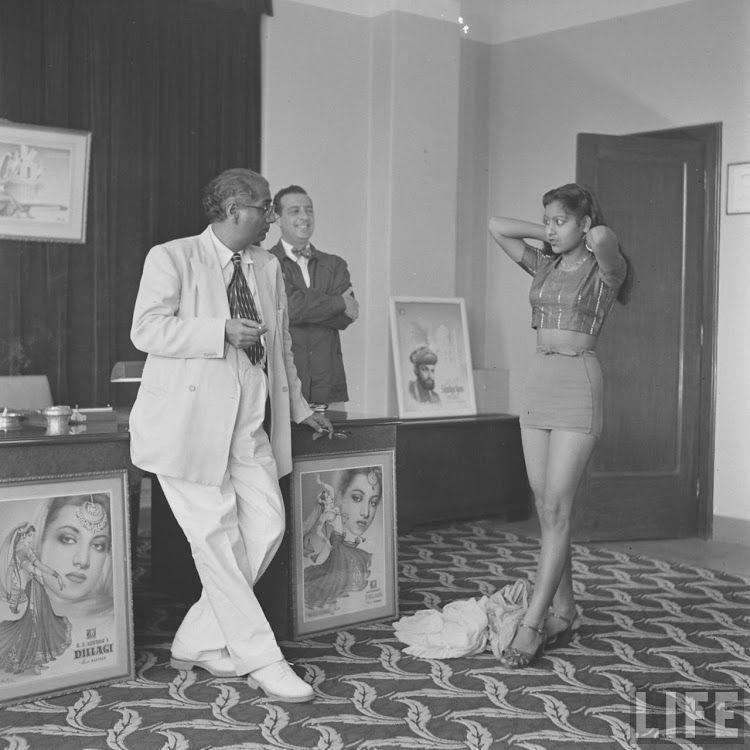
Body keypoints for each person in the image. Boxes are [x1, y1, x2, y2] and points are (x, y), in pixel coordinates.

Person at [129, 168, 332, 703]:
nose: (273, 217)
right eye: (266, 207)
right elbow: (146, 329)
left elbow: (281, 344)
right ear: (233, 210)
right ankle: (261, 657)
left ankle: (196, 638)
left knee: (267, 524)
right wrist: (217, 330)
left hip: (247, 421)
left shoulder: (265, 266)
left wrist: (303, 407)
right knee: (217, 539)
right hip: (187, 428)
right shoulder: (171, 257)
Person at [488, 182, 627, 668]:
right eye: (545, 218)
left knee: (558, 506)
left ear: (584, 224)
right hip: (540, 377)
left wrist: (585, 230)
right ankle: (565, 609)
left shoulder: (604, 270)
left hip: (577, 379)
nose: (548, 227)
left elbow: (607, 238)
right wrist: (550, 233)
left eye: (558, 219)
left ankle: (533, 622)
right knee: (543, 505)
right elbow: (497, 227)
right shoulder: (544, 261)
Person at [269, 185, 358, 410]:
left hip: (329, 385)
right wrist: (337, 302)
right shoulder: (267, 262)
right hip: (286, 386)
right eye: (295, 211)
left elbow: (347, 316)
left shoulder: (335, 264)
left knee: (336, 445)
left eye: (309, 210)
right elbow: (290, 309)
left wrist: (300, 308)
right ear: (277, 218)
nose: (304, 217)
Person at [302, 467, 382, 611]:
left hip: (341, 541)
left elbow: (331, 490)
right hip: (336, 543)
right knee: (340, 569)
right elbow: (319, 529)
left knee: (350, 563)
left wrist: (320, 482)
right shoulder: (326, 515)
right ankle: (337, 597)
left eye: (373, 502)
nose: (365, 513)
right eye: (357, 498)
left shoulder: (335, 508)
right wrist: (325, 541)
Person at [0, 521, 71, 675]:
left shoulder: (25, 549)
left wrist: (54, 574)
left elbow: (37, 565)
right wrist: (37, 572)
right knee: (35, 622)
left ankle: (38, 660)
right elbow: (30, 568)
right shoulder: (21, 551)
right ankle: (34, 662)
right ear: (24, 536)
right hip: (33, 588)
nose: (32, 538)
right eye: (30, 535)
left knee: (42, 620)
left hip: (38, 588)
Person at [36, 494, 113, 620]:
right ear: (40, 538)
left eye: (98, 546)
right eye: (68, 539)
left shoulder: (114, 620)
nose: (83, 561)